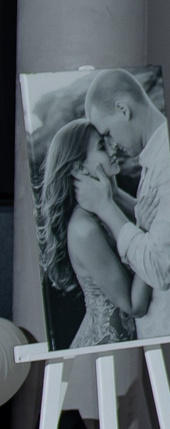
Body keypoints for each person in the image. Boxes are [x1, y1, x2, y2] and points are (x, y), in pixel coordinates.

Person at [74, 69, 170, 339]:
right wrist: (114, 195)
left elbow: (160, 268)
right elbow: (163, 222)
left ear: (123, 110)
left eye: (108, 133)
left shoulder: (168, 161)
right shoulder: (155, 156)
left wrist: (107, 208)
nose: (112, 146)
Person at [36, 118, 139, 346]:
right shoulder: (84, 229)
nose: (112, 149)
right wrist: (152, 238)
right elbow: (130, 304)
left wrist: (114, 193)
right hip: (106, 350)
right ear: (79, 168)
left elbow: (151, 218)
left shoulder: (105, 204)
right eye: (102, 146)